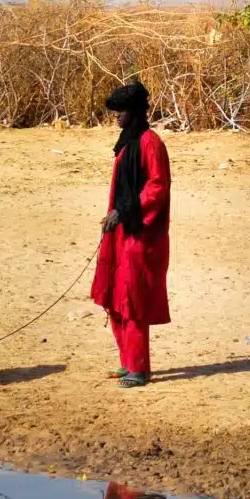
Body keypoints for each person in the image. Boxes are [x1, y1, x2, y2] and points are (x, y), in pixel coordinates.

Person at [90, 81, 171, 389]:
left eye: (120, 111)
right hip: (120, 232)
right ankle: (127, 362)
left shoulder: (151, 142)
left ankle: (139, 368)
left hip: (141, 235)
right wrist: (115, 216)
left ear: (134, 112)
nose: (116, 117)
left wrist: (123, 212)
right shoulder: (127, 142)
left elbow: (157, 187)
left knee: (132, 300)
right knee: (113, 297)